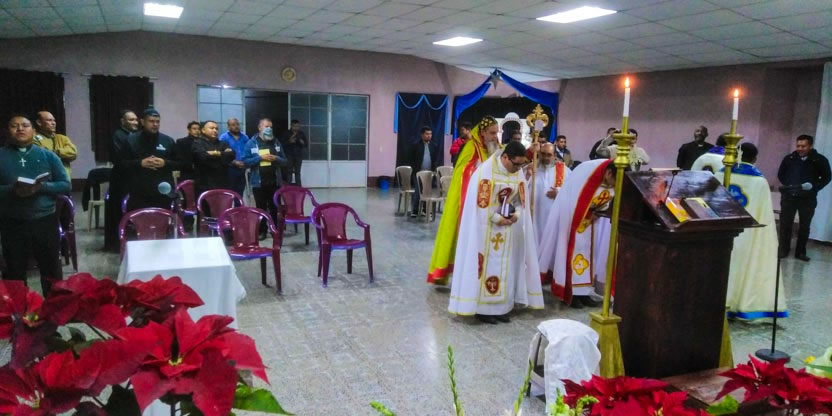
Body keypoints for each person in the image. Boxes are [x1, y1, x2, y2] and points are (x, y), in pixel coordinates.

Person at [448, 141, 544, 323]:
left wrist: (516, 214)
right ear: (505, 157)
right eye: (515, 164)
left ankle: (502, 308)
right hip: (486, 231)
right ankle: (484, 310)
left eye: (521, 165)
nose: (518, 169)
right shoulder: (485, 173)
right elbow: (480, 206)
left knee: (507, 266)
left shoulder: (516, 172)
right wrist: (497, 218)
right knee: (487, 267)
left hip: (508, 232)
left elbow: (520, 201)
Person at [706, 143, 788, 320]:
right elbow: (764, 215)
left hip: (722, 230)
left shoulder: (721, 174)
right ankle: (739, 304)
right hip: (749, 233)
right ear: (755, 158)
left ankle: (713, 302)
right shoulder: (759, 181)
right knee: (743, 266)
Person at [0, 115, 71, 294]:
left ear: (33, 130)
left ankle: (54, 307)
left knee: (51, 269)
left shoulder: (48, 155)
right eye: (14, 126)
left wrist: (41, 187)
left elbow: (65, 184)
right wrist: (12, 190)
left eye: (25, 125)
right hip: (12, 221)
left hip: (44, 220)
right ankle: (17, 309)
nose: (20, 129)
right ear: (7, 131)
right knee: (14, 271)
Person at [427, 116, 501, 285]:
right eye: (492, 133)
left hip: (491, 203)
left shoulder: (496, 147)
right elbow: (463, 173)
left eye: (496, 133)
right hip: (471, 202)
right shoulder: (471, 147)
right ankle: (465, 273)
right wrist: (482, 169)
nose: (495, 137)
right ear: (483, 132)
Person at [538, 159, 615, 308]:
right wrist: (587, 214)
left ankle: (584, 292)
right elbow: (573, 199)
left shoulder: (608, 180)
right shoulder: (588, 173)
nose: (614, 185)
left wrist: (599, 211)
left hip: (590, 223)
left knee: (588, 255)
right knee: (573, 254)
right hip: (572, 220)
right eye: (614, 181)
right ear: (609, 173)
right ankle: (571, 292)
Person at [777, 134, 831, 261]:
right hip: (789, 197)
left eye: (803, 146)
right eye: (798, 146)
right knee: (785, 224)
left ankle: (800, 252)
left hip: (807, 199)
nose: (800, 149)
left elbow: (827, 177)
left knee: (804, 226)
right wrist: (789, 186)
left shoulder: (819, 160)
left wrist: (814, 188)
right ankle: (784, 249)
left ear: (810, 146)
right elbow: (781, 174)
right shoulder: (789, 158)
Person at [120, 108, 181, 212]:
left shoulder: (168, 141)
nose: (155, 124)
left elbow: (179, 164)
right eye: (151, 121)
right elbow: (122, 164)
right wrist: (140, 163)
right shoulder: (131, 140)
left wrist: (165, 163)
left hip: (163, 192)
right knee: (140, 220)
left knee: (163, 220)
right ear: (142, 122)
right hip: (139, 192)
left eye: (157, 122)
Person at [244, 118, 287, 238]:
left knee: (274, 207)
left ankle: (275, 230)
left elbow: (285, 161)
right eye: (266, 126)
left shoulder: (276, 142)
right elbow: (245, 161)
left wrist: (276, 158)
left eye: (271, 127)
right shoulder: (251, 143)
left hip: (275, 182)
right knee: (260, 208)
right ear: (259, 128)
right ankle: (262, 231)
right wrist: (260, 158)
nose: (269, 129)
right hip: (259, 182)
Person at [104, 109, 138, 251]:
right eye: (131, 119)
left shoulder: (134, 135)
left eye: (136, 119)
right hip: (121, 180)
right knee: (119, 212)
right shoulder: (118, 136)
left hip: (132, 179)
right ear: (122, 121)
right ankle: (118, 244)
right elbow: (120, 159)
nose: (135, 122)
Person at [528, 143, 569, 246]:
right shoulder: (532, 168)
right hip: (535, 216)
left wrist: (559, 192)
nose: (545, 157)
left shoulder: (564, 171)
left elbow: (573, 190)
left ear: (554, 155)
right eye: (543, 154)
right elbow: (521, 187)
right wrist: (528, 174)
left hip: (553, 217)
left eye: (549, 155)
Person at [192, 120, 236, 197]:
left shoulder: (222, 143)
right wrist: (222, 155)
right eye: (211, 128)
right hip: (204, 185)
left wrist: (216, 153)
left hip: (222, 184)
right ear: (203, 130)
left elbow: (231, 155)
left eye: (216, 129)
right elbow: (202, 156)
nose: (215, 130)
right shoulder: (197, 143)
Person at [33, 111, 77, 178]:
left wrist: (56, 152)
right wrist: (63, 153)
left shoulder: (62, 138)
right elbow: (42, 157)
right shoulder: (34, 139)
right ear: (39, 122)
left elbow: (73, 153)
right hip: (47, 180)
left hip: (65, 179)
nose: (53, 123)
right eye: (49, 120)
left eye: (54, 120)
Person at [409, 126, 439, 217]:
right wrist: (414, 170)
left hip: (429, 174)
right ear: (422, 135)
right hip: (418, 173)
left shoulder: (434, 146)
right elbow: (411, 159)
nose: (429, 136)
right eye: (427, 134)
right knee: (418, 192)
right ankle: (415, 210)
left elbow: (435, 160)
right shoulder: (415, 145)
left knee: (427, 192)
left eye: (430, 134)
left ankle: (425, 210)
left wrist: (434, 171)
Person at [219, 118, 250, 196]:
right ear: (228, 127)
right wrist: (233, 162)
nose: (236, 126)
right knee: (229, 193)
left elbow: (248, 150)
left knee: (240, 192)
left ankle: (238, 204)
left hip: (242, 168)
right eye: (233, 125)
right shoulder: (223, 137)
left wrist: (246, 162)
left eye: (237, 124)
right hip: (229, 169)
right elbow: (221, 154)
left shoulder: (245, 137)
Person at [281, 119, 307, 185]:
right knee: (289, 172)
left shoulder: (301, 133)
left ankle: (299, 188)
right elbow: (282, 145)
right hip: (289, 155)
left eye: (298, 126)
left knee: (297, 172)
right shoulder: (286, 133)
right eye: (295, 126)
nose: (296, 128)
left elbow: (306, 144)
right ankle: (288, 188)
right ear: (291, 126)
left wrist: (302, 142)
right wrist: (289, 141)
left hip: (298, 156)